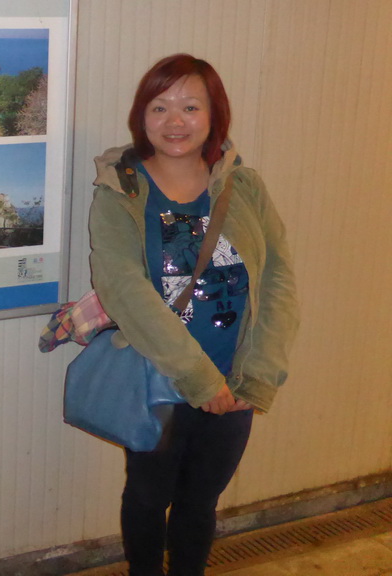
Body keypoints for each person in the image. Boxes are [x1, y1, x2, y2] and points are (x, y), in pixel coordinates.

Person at [88, 54, 299, 576]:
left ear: (213, 115)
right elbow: (124, 289)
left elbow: (277, 279)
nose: (174, 122)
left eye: (189, 107)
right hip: (158, 376)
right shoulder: (122, 191)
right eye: (159, 107)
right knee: (147, 494)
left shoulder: (243, 187)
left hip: (236, 382)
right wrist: (198, 379)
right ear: (142, 116)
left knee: (201, 501)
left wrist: (259, 373)